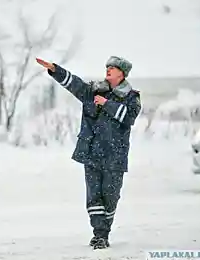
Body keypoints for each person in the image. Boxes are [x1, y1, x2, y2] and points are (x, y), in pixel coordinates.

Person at [36, 56, 142, 249]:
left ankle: (104, 231)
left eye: (113, 67)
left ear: (122, 73)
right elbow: (74, 84)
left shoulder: (131, 97)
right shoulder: (93, 91)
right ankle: (99, 234)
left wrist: (106, 103)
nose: (108, 70)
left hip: (114, 157)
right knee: (93, 197)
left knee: (110, 197)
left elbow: (129, 117)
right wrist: (55, 70)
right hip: (91, 154)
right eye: (107, 67)